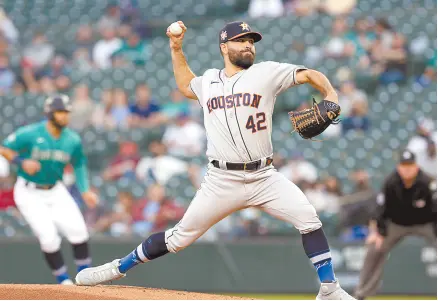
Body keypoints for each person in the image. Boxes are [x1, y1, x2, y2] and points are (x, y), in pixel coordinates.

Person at [76, 20, 354, 300]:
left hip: (264, 176)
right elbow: (186, 84)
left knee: (309, 219)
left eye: (251, 41)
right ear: (224, 46)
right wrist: (176, 47)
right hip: (222, 180)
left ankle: (329, 289)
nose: (248, 45)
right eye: (241, 40)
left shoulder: (267, 72)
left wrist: (330, 93)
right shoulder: (208, 80)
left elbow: (309, 75)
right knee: (177, 239)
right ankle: (117, 268)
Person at [0, 94, 98, 284]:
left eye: (66, 112)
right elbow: (4, 148)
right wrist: (21, 161)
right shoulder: (30, 133)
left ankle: (85, 278)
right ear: (50, 113)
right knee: (49, 238)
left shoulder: (72, 139)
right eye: (60, 112)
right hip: (29, 191)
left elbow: (79, 164)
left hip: (56, 189)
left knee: (79, 232)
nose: (64, 116)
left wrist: (85, 190)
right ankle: (63, 281)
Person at [353, 150, 437, 299]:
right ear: (398, 167)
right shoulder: (390, 182)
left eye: (410, 165)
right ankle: (361, 294)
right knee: (374, 249)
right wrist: (378, 233)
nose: (407, 169)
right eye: (404, 165)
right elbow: (380, 209)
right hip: (397, 224)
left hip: (426, 224)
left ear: (416, 166)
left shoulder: (427, 183)